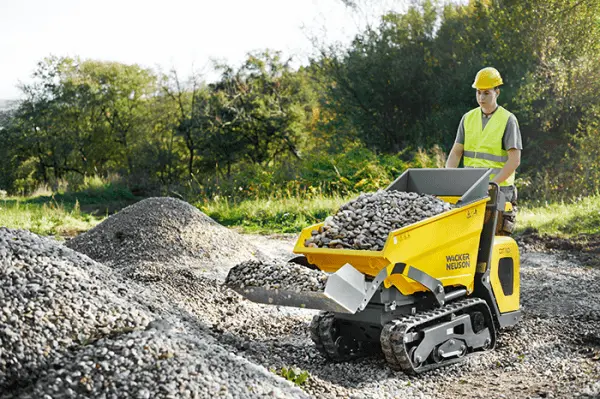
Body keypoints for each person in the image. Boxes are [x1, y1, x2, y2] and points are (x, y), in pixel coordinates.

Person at [445, 67, 522, 233]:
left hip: (499, 190)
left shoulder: (508, 120)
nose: (481, 97)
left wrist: (493, 184)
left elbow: (514, 160)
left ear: (497, 92)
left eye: (486, 93)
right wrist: (448, 178)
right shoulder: (468, 118)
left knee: (492, 238)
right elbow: (456, 152)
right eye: (478, 92)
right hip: (471, 188)